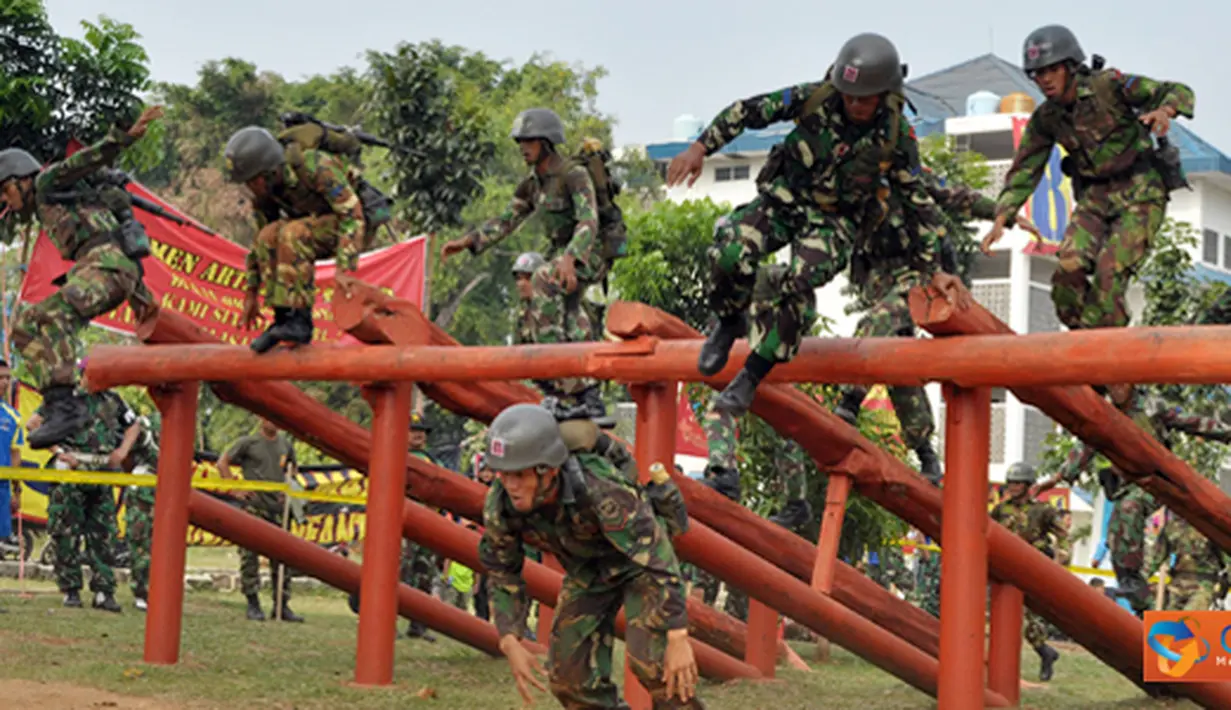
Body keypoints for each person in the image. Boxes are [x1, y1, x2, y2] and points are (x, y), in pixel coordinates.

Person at [666, 33, 963, 417]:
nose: (854, 104)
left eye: (864, 98)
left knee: (800, 281)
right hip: (785, 200)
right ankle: (728, 319)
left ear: (884, 93)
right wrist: (700, 147)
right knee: (729, 251)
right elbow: (747, 110)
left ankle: (752, 376)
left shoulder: (896, 134)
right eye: (849, 95)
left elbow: (918, 202)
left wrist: (933, 268)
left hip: (834, 222)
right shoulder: (814, 97)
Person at [980, 25, 1195, 369]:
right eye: (1038, 74)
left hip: (1140, 190)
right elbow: (1025, 168)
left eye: (1052, 70)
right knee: (1068, 269)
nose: (1045, 80)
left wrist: (1164, 112)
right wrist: (1002, 216)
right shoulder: (1046, 118)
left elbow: (1177, 90)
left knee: (1109, 274)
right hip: (1095, 196)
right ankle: (1087, 351)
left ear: (1070, 66)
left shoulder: (1108, 86)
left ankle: (1111, 360)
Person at [478, 404, 701, 708]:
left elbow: (658, 557)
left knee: (656, 664)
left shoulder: (601, 488)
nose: (510, 485)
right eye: (503, 474)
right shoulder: (501, 505)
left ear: (549, 470)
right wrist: (509, 639)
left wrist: (677, 636)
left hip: (639, 564)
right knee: (568, 678)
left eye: (519, 475)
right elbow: (502, 570)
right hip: (588, 570)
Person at [833, 172, 1037, 483]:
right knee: (896, 361)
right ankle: (926, 451)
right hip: (878, 279)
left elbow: (958, 196)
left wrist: (1005, 215)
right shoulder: (847, 181)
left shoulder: (907, 176)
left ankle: (850, 397)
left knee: (883, 318)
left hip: (921, 272)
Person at [0, 106, 163, 448]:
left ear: (21, 179)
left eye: (5, 191)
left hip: (108, 266)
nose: (4, 200)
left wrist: (123, 138)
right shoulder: (53, 203)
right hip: (103, 268)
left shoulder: (47, 182)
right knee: (23, 328)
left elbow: (85, 161)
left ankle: (67, 405)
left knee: (52, 314)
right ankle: (59, 400)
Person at [440, 110, 612, 421]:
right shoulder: (532, 184)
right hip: (562, 253)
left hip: (591, 249)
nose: (523, 147)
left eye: (529, 141)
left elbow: (589, 220)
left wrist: (571, 258)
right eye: (520, 141)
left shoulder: (573, 174)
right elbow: (508, 219)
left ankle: (554, 373)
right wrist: (469, 241)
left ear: (547, 142)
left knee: (544, 278)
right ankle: (586, 396)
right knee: (570, 313)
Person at [1037, 386, 1231, 616]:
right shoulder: (1103, 412)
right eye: (1112, 385)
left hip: (1155, 480)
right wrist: (1059, 477)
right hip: (1125, 483)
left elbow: (1187, 420)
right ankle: (1141, 603)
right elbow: (1085, 446)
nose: (1117, 389)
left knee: (1131, 508)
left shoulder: (1151, 405)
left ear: (1131, 384)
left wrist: (1225, 433)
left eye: (1121, 384)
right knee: (1116, 541)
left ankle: (1137, 589)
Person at [223, 126, 366, 353]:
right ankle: (283, 320)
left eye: (253, 181)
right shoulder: (264, 194)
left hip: (349, 227)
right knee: (268, 236)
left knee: (293, 233)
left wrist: (344, 270)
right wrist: (251, 294)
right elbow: (260, 246)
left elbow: (352, 215)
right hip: (312, 228)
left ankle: (301, 322)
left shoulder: (313, 166)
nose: (250, 188)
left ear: (269, 171)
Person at [43, 389, 140, 613]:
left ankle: (103, 592)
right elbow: (36, 425)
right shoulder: (66, 397)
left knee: (103, 533)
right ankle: (71, 591)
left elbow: (133, 425)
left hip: (101, 472)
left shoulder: (113, 400)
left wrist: (122, 451)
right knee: (66, 533)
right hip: (71, 473)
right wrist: (60, 452)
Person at [217, 418, 303, 622]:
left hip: (279, 510)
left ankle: (282, 604)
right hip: (255, 507)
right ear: (260, 419)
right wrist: (235, 489)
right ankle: (253, 603)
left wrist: (289, 487)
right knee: (250, 556)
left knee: (282, 557)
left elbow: (293, 468)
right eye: (268, 417)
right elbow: (223, 463)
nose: (273, 422)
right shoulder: (248, 442)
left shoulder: (285, 444)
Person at [991, 462, 1067, 681]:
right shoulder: (1001, 510)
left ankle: (1044, 652)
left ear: (1027, 485)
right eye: (1011, 483)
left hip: (1034, 566)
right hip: (1006, 567)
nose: (1013, 487)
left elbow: (1062, 533)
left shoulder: (1042, 510)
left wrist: (1062, 555)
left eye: (1018, 483)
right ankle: (1044, 653)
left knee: (1031, 616)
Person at [402, 413, 440, 641]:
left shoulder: (432, 461)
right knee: (398, 573)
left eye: (422, 430)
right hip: (402, 524)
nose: (418, 434)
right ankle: (388, 623)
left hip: (427, 525)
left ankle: (419, 625)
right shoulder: (397, 457)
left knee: (423, 574)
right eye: (414, 429)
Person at [1147, 509, 1227, 611]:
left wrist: (1223, 585)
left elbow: (1226, 557)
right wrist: (1145, 580)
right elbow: (1156, 557)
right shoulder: (1172, 526)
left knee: (1189, 619)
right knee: (1168, 621)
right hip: (1178, 583)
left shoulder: (1210, 527)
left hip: (1204, 583)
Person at [122, 411, 160, 611]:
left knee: (163, 544)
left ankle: (159, 591)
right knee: (140, 542)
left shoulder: (183, 421)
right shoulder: (145, 424)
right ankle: (141, 592)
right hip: (143, 487)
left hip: (168, 487)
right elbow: (125, 454)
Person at [0, 359, 24, 563]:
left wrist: (17, 491)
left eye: (7, 377)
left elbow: (16, 454)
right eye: (0, 377)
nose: (5, 382)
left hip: (2, 488)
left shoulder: (13, 417)